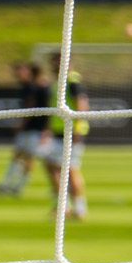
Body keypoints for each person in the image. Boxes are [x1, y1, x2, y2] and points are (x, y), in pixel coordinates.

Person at [0, 61, 50, 197]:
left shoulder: (36, 88)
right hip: (32, 129)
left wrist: (22, 123)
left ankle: (16, 185)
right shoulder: (35, 87)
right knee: (22, 156)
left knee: (29, 157)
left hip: (35, 129)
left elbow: (32, 107)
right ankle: (10, 184)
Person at [43, 52, 90, 220]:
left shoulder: (72, 80)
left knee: (70, 169)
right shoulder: (58, 81)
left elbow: (81, 104)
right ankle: (64, 206)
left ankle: (78, 208)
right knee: (52, 166)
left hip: (70, 132)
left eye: (56, 61)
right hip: (58, 131)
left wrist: (77, 128)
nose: (53, 65)